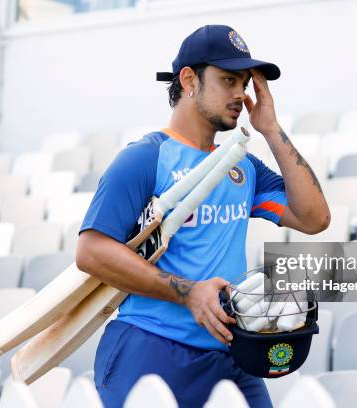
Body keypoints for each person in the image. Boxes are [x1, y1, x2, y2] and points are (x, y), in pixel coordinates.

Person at [76, 24, 330, 408]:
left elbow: (314, 219)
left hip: (231, 351)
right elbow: (90, 252)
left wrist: (271, 129)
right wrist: (188, 292)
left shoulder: (243, 166)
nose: (240, 95)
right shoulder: (144, 158)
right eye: (228, 80)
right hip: (151, 345)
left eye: (244, 82)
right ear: (189, 79)